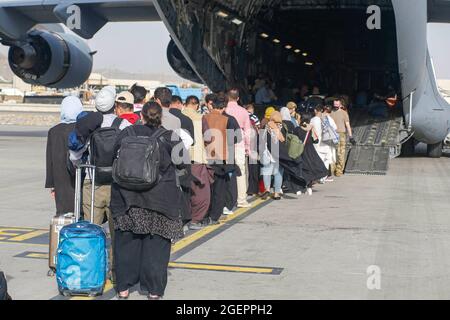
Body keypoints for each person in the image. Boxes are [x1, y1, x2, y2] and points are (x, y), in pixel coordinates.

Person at [110, 102, 186, 300]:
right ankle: (153, 291)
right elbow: (184, 163)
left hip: (127, 199)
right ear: (161, 117)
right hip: (160, 201)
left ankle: (123, 289)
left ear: (141, 115)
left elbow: (112, 156)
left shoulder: (127, 133)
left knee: (126, 243)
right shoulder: (170, 136)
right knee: (157, 247)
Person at [82, 86, 132, 282]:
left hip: (92, 181)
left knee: (92, 230)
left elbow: (78, 151)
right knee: (116, 231)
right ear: (115, 106)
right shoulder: (124, 124)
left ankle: (92, 272)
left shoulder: (89, 124)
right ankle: (116, 272)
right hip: (116, 184)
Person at [203, 95, 239, 224]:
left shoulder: (204, 118)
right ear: (224, 107)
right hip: (221, 158)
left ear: (212, 105)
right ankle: (214, 216)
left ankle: (204, 214)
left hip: (205, 156)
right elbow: (236, 138)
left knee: (206, 188)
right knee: (219, 189)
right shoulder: (227, 120)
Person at [46, 96, 83, 215]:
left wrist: (52, 184)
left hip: (60, 179)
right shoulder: (82, 129)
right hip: (79, 176)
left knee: (63, 214)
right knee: (81, 211)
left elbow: (50, 160)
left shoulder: (53, 131)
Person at [182, 96, 213, 230]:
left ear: (185, 104)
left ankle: (183, 219)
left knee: (184, 190)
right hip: (197, 159)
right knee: (201, 192)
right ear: (197, 106)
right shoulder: (201, 118)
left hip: (180, 159)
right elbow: (209, 138)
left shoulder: (178, 116)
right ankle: (195, 219)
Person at [225, 89, 252, 209]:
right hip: (239, 144)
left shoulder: (224, 110)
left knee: (226, 171)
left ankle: (227, 199)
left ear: (227, 97)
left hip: (225, 143)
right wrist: (248, 147)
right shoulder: (243, 111)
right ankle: (241, 199)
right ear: (238, 98)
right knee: (241, 171)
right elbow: (247, 132)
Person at [295, 113, 328, 195]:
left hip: (299, 151)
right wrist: (312, 129)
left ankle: (298, 188)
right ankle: (309, 187)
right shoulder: (310, 129)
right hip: (310, 151)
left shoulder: (297, 129)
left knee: (299, 169)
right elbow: (315, 141)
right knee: (310, 169)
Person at [260, 111, 285, 200]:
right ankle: (277, 193)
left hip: (267, 153)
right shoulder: (282, 127)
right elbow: (284, 140)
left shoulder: (266, 127)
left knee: (266, 172)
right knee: (278, 173)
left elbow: (261, 140)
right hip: (278, 154)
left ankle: (267, 189)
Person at [331, 98, 356, 177]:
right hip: (333, 134)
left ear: (340, 105)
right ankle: (334, 170)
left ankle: (338, 170)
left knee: (339, 153)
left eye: (337, 105)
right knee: (335, 153)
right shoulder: (331, 112)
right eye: (334, 105)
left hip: (340, 134)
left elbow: (347, 124)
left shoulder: (343, 113)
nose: (335, 106)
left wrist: (350, 136)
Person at [310, 104, 334, 182]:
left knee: (317, 159)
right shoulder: (325, 119)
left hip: (316, 142)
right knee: (326, 160)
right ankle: (323, 177)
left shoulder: (313, 120)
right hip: (325, 141)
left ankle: (316, 176)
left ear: (315, 111)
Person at [245, 104, 260, 196]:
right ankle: (253, 189)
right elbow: (258, 129)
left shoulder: (241, 116)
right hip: (253, 144)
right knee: (253, 167)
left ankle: (245, 189)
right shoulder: (254, 117)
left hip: (242, 144)